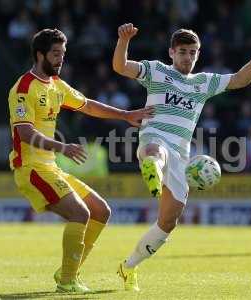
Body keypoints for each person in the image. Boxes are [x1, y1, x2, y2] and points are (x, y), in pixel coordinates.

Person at [112, 23, 251, 292]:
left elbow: (240, 79)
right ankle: (153, 169)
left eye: (193, 52)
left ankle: (128, 267)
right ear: (171, 52)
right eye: (183, 51)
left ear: (198, 54)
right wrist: (123, 40)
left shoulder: (203, 82)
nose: (188, 57)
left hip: (181, 155)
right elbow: (121, 66)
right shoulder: (156, 71)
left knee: (168, 222)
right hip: (155, 138)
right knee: (155, 151)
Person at [8, 28, 153, 293]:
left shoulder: (57, 85)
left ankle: (67, 272)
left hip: (49, 167)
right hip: (30, 169)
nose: (61, 59)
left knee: (101, 210)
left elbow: (87, 105)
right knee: (80, 213)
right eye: (55, 54)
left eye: (63, 54)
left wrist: (125, 114)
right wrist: (62, 147)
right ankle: (67, 280)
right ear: (40, 55)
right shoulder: (24, 88)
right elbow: (24, 133)